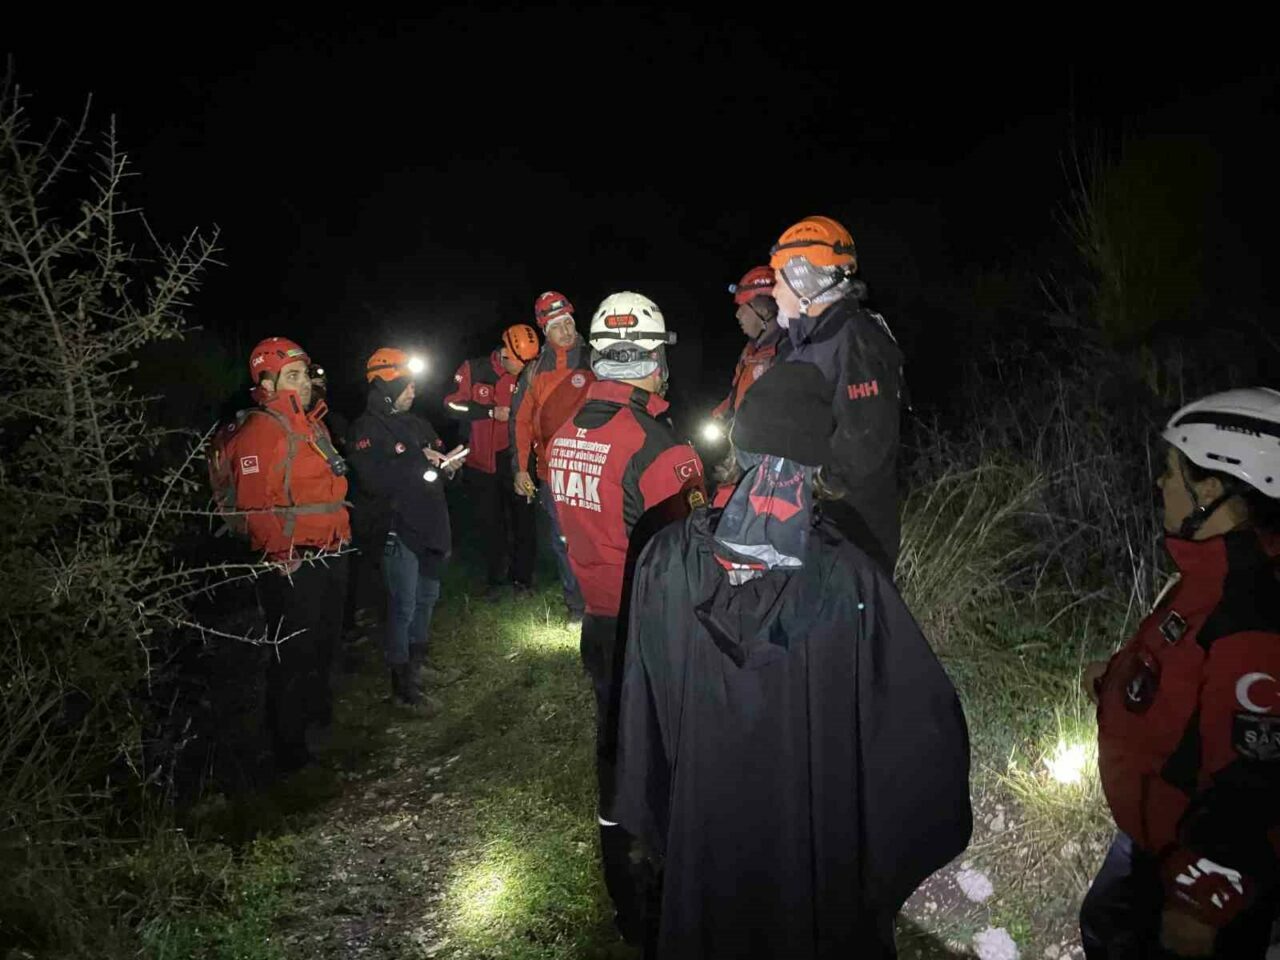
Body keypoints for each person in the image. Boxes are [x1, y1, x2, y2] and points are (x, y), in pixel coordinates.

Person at [611, 360, 972, 958]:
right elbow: (916, 727)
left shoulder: (664, 559)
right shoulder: (849, 577)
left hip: (705, 838)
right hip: (811, 852)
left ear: (738, 444)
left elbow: (641, 710)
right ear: (821, 462)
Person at [1081, 387, 1280, 959]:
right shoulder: (1209, 573)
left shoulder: (1251, 619)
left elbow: (1252, 782)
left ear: (1211, 490)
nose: (1162, 484)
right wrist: (1113, 682)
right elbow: (1181, 677)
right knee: (1101, 923)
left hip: (1189, 866)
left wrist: (1200, 905)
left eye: (1173, 472)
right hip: (1153, 836)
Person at [546, 291, 706, 945]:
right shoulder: (663, 448)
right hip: (652, 629)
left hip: (597, 620)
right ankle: (664, 897)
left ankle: (624, 898)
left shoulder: (565, 435)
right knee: (666, 758)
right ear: (649, 361)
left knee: (613, 754)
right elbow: (693, 551)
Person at [223, 336, 351, 772]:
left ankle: (319, 725)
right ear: (267, 380)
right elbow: (254, 502)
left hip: (330, 551)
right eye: (292, 376)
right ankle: (290, 753)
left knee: (323, 643)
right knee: (292, 655)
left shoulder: (312, 423)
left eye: (304, 374)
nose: (304, 384)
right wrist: (281, 555)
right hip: (294, 561)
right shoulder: (261, 429)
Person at [769, 215, 904, 575]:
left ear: (804, 281)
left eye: (779, 279)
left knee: (851, 626)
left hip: (852, 531)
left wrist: (808, 485)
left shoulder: (856, 340)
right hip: (807, 523)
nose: (773, 292)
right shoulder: (801, 344)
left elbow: (864, 446)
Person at [346, 347, 466, 708]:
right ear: (385, 386)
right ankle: (402, 687)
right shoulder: (365, 429)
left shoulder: (418, 423)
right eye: (406, 385)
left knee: (427, 599)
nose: (413, 391)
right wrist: (419, 460)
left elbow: (435, 465)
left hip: (432, 526)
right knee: (403, 606)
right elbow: (373, 480)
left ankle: (417, 665)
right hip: (398, 530)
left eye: (413, 385)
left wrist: (449, 468)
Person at [511, 290, 593, 623]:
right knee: (564, 542)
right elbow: (519, 423)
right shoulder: (533, 372)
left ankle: (605, 604)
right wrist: (520, 469)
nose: (567, 330)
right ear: (545, 329)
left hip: (594, 468)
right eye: (558, 325)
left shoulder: (595, 359)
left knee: (598, 538)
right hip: (551, 473)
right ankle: (577, 606)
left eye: (570, 322)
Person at [444, 324, 541, 599]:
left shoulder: (528, 374)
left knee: (524, 521)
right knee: (490, 523)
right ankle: (495, 581)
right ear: (507, 354)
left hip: (517, 459)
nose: (524, 370)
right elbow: (451, 405)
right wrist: (488, 412)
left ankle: (523, 581)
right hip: (481, 461)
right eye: (521, 363)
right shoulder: (473, 369)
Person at [710, 265, 787, 424]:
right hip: (743, 441)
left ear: (764, 311)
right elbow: (737, 394)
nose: (738, 315)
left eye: (743, 308)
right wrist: (723, 411)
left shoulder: (786, 354)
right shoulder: (750, 353)